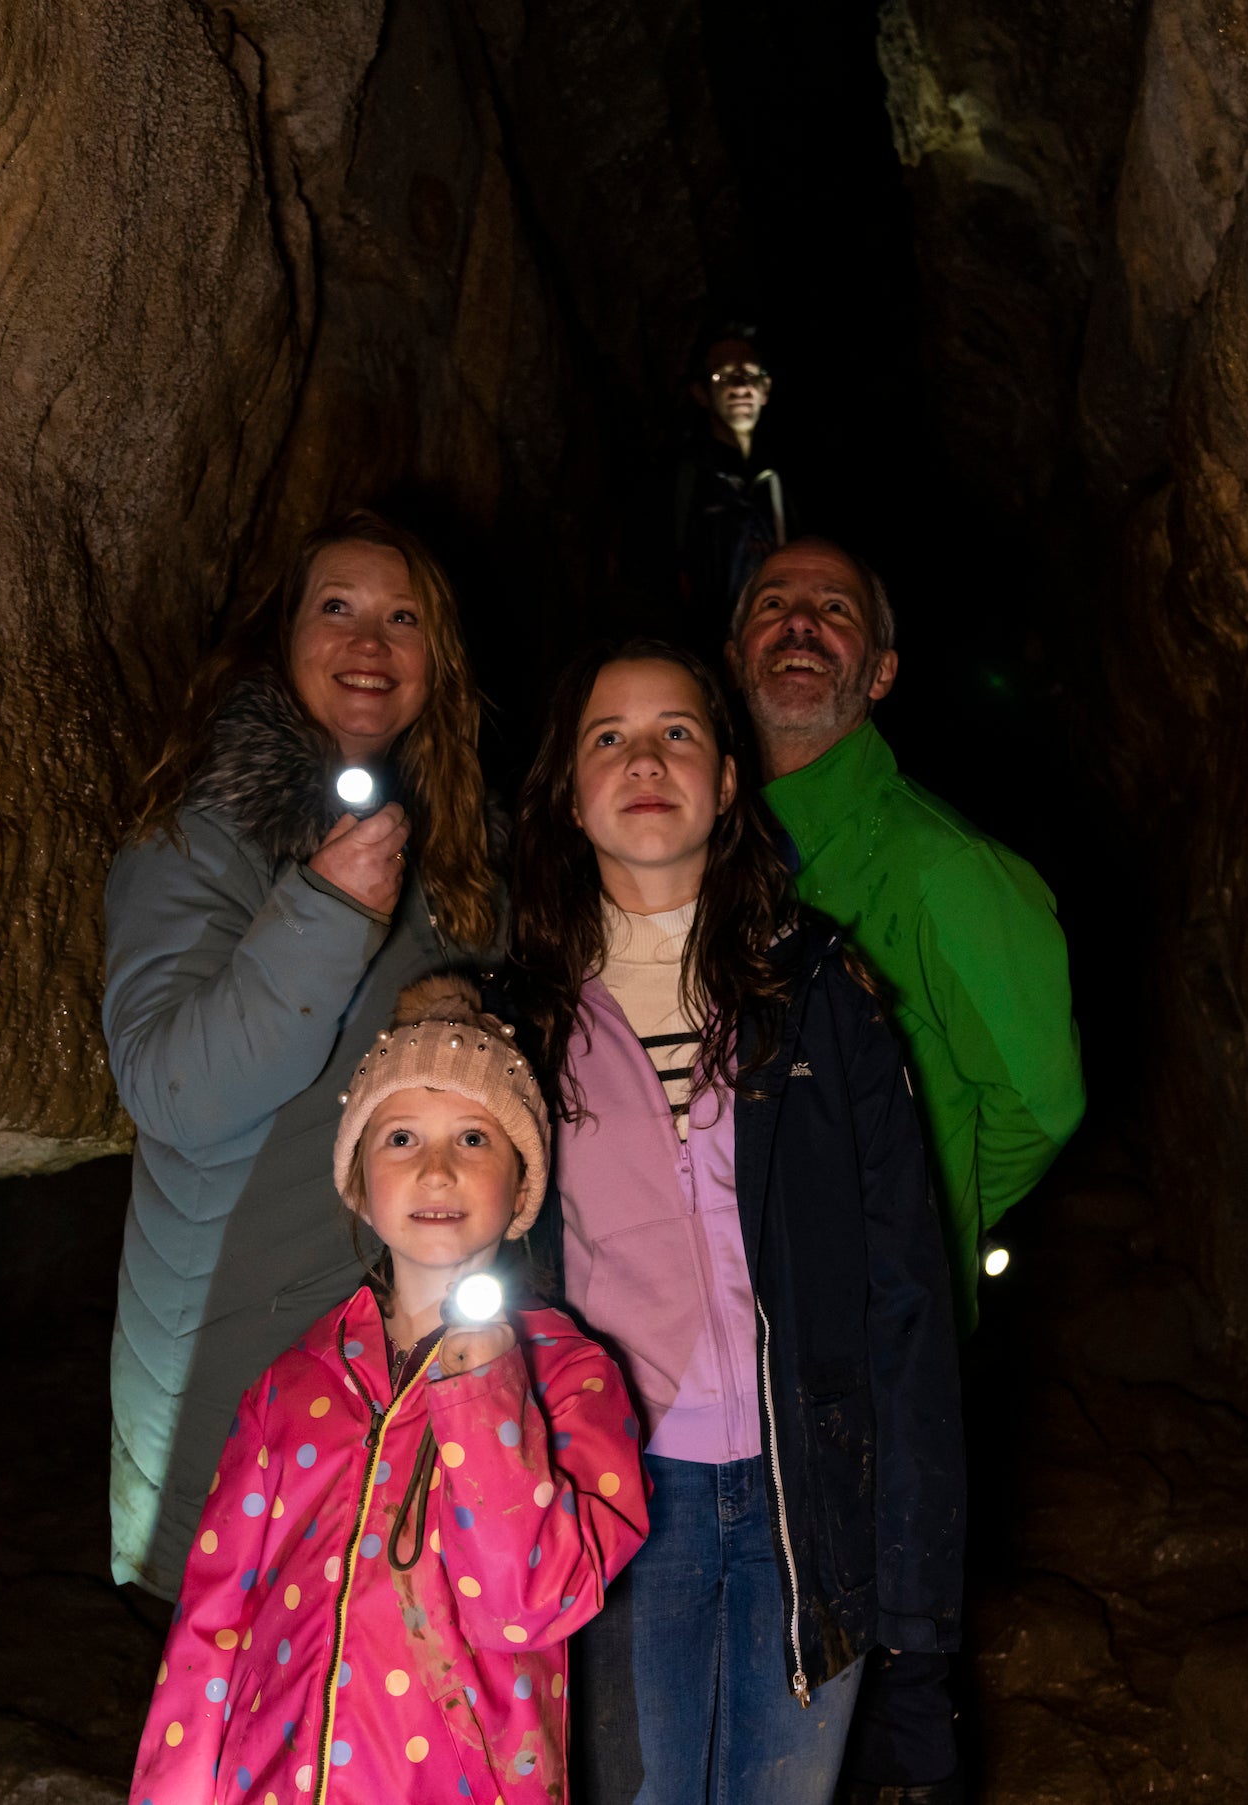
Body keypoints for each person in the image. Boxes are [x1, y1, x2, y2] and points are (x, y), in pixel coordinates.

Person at [509, 640, 964, 1805]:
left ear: (725, 781)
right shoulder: (520, 1023)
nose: (645, 757)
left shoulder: (818, 992)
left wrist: (915, 1590)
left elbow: (905, 1288)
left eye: (678, 731)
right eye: (608, 735)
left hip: (804, 1493)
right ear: (568, 788)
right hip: (616, 1502)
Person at [727, 540, 1086, 1804]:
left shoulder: (944, 869)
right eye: (773, 605)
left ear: (880, 671)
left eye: (833, 612)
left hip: (879, 1365)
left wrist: (920, 1224)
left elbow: (1040, 1101)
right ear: (734, 656)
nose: (800, 624)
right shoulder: (699, 857)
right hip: (732, 1359)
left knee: (882, 1693)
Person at [104, 509, 506, 1599]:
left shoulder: (462, 847)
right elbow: (171, 1085)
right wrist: (324, 912)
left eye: (402, 616)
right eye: (338, 608)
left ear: (439, 660)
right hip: (233, 1365)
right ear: (283, 636)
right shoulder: (204, 829)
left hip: (394, 1359)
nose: (370, 642)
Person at [128, 972, 650, 1804]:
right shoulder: (293, 1384)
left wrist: (482, 1390)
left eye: (474, 1140)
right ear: (357, 1183)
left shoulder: (575, 1380)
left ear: (522, 1185)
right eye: (401, 1138)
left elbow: (529, 1606)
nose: (437, 1170)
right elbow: (211, 1626)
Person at [669, 327, 796, 653]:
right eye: (723, 377)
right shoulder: (676, 481)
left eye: (749, 374)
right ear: (700, 393)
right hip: (706, 655)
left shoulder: (793, 478)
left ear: (766, 388)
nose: (740, 386)